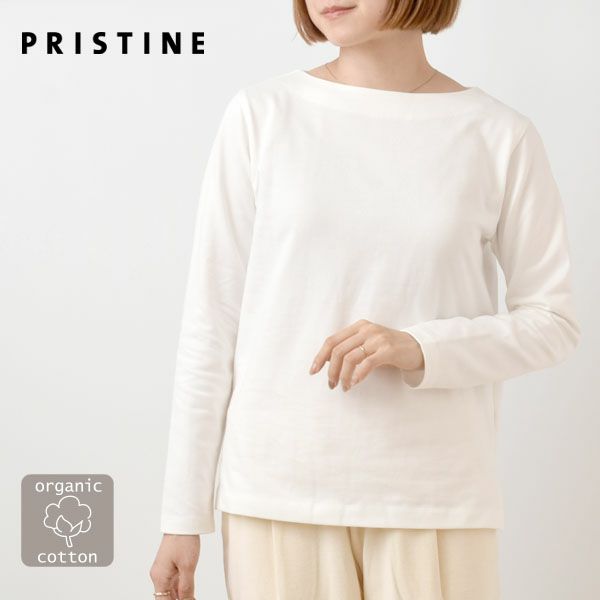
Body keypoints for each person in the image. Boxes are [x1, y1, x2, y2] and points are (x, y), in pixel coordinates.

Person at [149, 1, 581, 598]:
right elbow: (211, 324)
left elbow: (553, 321)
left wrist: (420, 347)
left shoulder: (497, 134)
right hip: (279, 495)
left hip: (435, 499)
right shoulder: (263, 115)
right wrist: (182, 515)